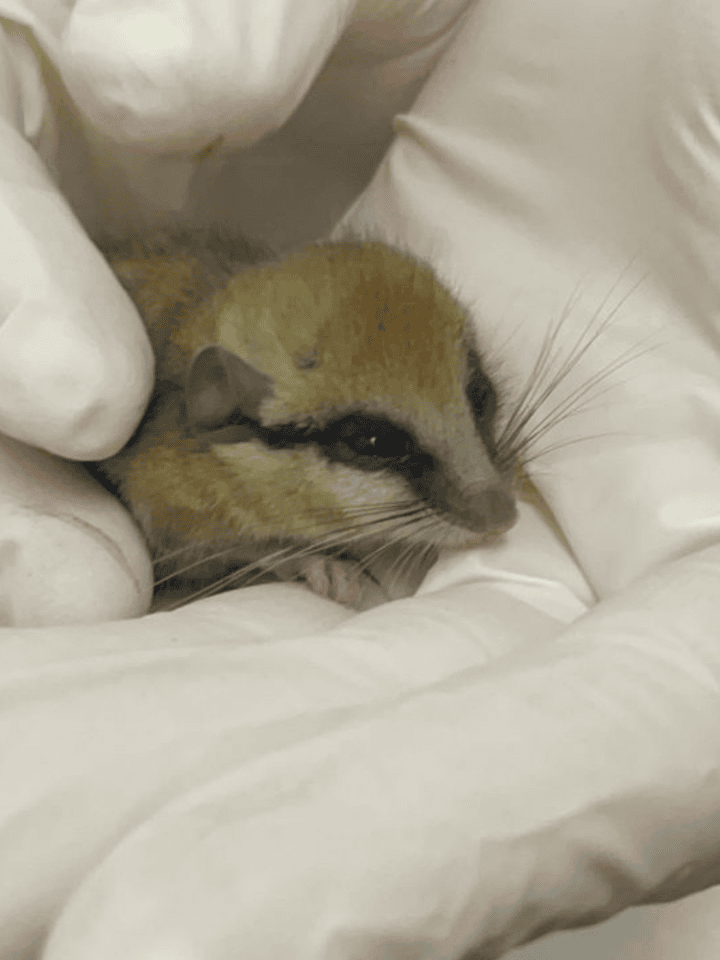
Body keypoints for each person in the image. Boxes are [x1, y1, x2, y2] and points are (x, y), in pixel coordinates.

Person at [3, 1, 720, 958]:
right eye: (383, 450)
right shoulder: (197, 455)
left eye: (476, 395)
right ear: (231, 414)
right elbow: (169, 509)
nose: (490, 499)